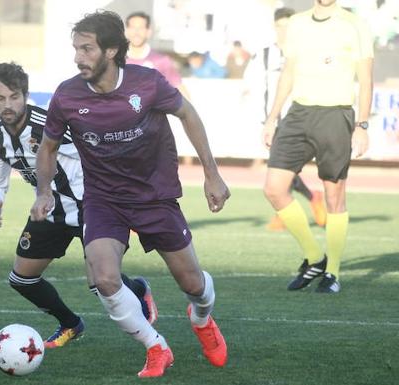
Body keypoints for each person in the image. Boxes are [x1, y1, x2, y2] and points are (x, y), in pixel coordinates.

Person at [31, 11, 230, 378]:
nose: (78, 57)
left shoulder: (148, 83)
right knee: (105, 278)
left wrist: (212, 174)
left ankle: (201, 319)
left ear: (110, 51)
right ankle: (156, 346)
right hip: (104, 200)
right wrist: (44, 192)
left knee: (194, 285)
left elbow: (188, 114)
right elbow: (47, 147)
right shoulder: (68, 95)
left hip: (155, 197)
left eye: (87, 49)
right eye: (76, 48)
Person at [0, 62, 158, 349]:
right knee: (21, 279)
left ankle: (138, 290)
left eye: (14, 97)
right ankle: (70, 324)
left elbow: (99, 150)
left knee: (98, 282)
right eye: (0, 98)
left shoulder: (49, 123)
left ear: (25, 95)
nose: (7, 105)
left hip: (94, 203)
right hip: (50, 210)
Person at [262, 0, 373, 294]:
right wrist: (272, 117)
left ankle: (332, 273)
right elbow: (288, 72)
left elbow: (366, 79)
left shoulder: (354, 23)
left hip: (336, 114)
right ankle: (315, 257)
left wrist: (362, 125)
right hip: (299, 114)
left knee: (334, 194)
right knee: (274, 187)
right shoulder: (297, 23)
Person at [244, 7, 327, 231]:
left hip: (297, 120)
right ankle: (309, 199)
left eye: (288, 26)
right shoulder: (262, 55)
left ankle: (294, 207)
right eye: (280, 26)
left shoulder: (304, 54)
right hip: (271, 121)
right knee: (282, 169)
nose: (284, 31)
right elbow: (250, 85)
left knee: (282, 168)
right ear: (274, 26)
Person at [124, 11, 181, 88]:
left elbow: (179, 88)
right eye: (133, 27)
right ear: (126, 31)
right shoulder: (113, 60)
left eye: (141, 28)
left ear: (149, 32)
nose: (136, 32)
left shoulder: (161, 61)